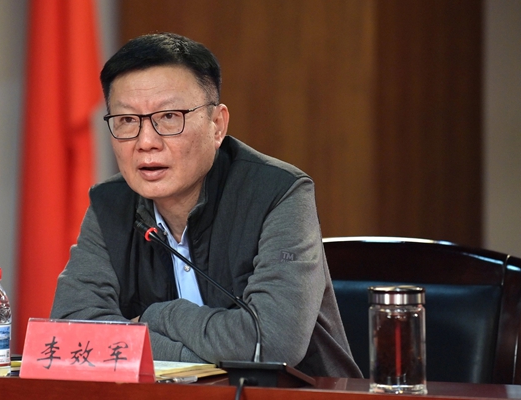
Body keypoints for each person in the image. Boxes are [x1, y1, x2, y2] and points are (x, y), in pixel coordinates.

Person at [51, 32, 362, 378]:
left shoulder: (280, 194)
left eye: (169, 117)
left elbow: (273, 344)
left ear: (217, 125)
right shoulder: (110, 205)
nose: (146, 141)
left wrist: (159, 316)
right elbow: (69, 336)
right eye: (127, 120)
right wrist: (194, 355)